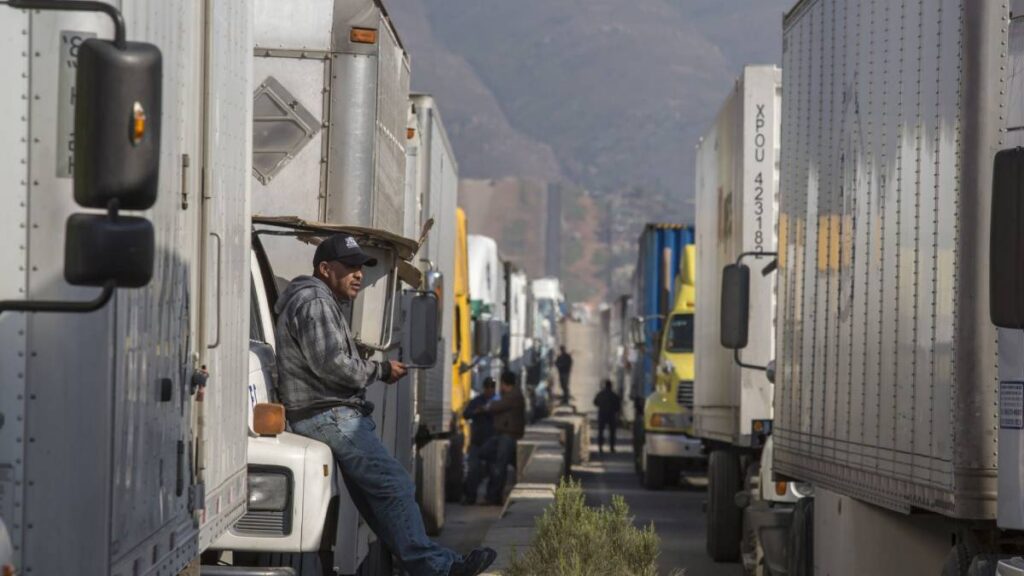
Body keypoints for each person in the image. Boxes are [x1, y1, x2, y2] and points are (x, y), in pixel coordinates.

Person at [273, 233, 496, 576]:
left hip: (327, 413)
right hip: (326, 414)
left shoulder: (320, 300)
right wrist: (379, 369)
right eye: (349, 267)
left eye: (360, 267)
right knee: (395, 485)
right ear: (324, 268)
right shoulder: (314, 301)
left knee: (376, 498)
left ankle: (437, 564)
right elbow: (332, 364)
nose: (358, 274)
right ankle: (437, 569)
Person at [461, 378, 497, 504]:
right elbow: (466, 414)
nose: (490, 390)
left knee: (494, 471)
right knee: (473, 470)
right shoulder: (477, 401)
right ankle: (470, 497)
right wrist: (478, 411)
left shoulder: (498, 401)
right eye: (488, 387)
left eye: (492, 387)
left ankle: (492, 498)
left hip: (492, 442)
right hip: (477, 442)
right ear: (484, 388)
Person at [593, 380, 622, 454]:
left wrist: (601, 406)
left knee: (600, 432)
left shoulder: (600, 394)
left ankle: (600, 447)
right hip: (611, 415)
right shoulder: (614, 395)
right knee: (612, 432)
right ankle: (612, 447)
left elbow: (595, 402)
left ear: (605, 386)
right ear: (611, 386)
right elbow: (618, 407)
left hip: (602, 414)